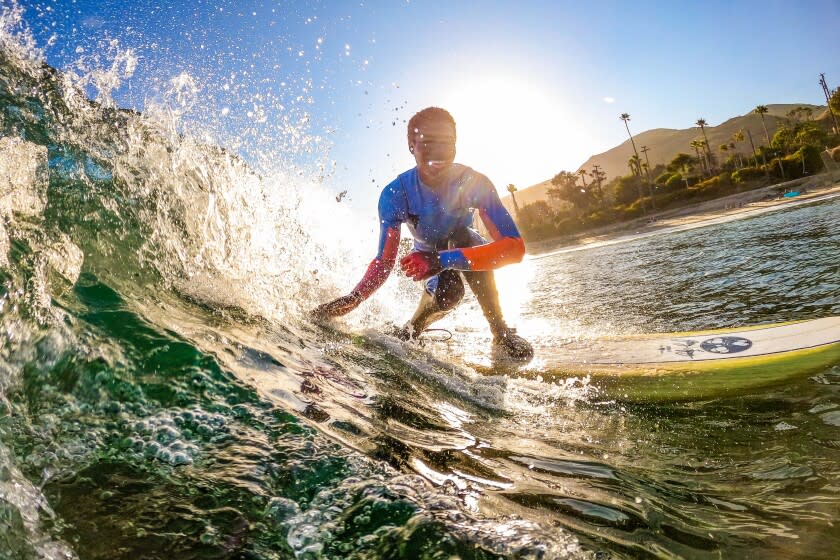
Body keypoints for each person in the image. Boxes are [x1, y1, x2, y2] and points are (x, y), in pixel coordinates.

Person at [312, 107, 533, 360]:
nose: (438, 153)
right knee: (450, 293)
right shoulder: (395, 194)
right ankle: (411, 330)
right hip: (426, 261)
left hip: (461, 249)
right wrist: (355, 297)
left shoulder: (473, 183)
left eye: (446, 143)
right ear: (411, 146)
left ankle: (500, 332)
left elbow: (515, 248)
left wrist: (441, 260)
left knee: (463, 236)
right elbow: (384, 263)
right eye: (428, 143)